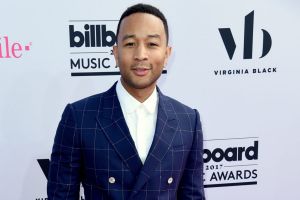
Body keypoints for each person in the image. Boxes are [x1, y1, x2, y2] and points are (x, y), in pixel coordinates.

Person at [47, 3, 205, 200]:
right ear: (115, 52)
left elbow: (192, 196)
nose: (140, 54)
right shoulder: (79, 117)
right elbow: (60, 196)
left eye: (152, 44)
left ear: (166, 54)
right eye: (130, 44)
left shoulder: (188, 120)